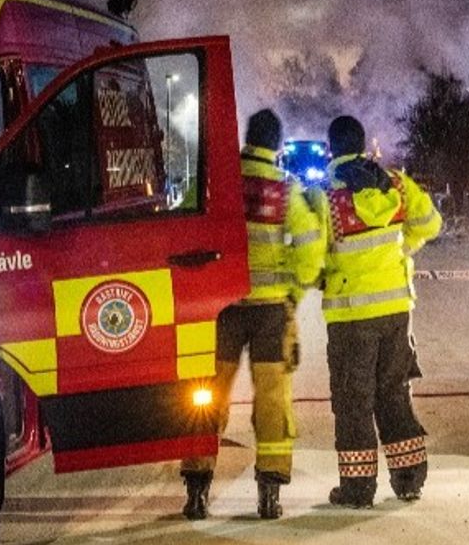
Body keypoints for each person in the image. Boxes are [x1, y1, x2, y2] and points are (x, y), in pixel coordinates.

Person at [179, 108, 324, 520]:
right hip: (270, 313)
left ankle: (195, 491)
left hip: (222, 310)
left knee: (205, 395)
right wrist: (294, 291)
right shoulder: (285, 190)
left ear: (247, 138)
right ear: (277, 145)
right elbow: (311, 251)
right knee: (273, 400)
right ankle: (269, 496)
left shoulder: (219, 186)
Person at [307, 115, 442, 509]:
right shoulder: (397, 183)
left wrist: (322, 279)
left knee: (353, 401)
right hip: (397, 310)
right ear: (363, 145)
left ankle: (358, 488)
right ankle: (409, 478)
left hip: (350, 318)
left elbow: (312, 257)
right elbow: (431, 223)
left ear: (331, 149)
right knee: (394, 393)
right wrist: (402, 249)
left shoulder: (324, 197)